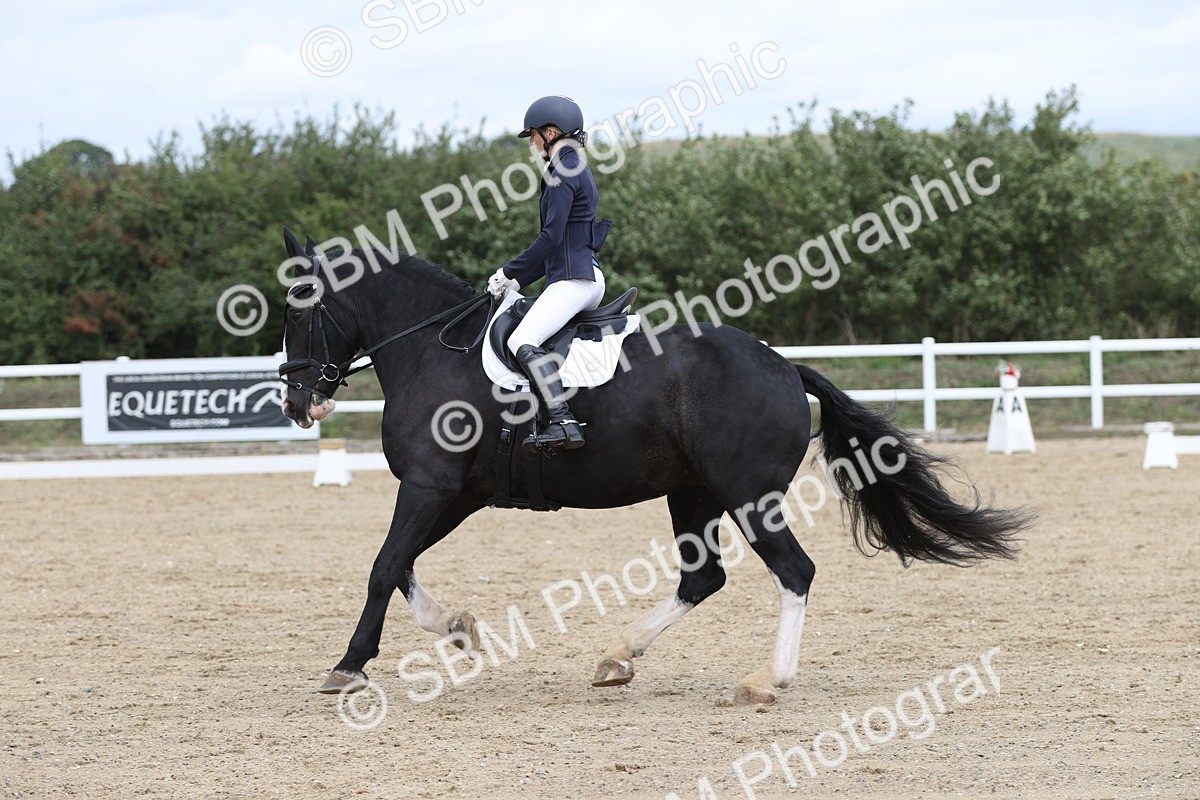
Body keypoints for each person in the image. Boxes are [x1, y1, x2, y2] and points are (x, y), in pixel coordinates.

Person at [488, 95, 611, 453]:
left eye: (533, 135)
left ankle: (562, 420)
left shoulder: (562, 171)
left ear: (551, 132)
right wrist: (518, 280)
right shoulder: (574, 167)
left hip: (575, 279)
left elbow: (550, 237)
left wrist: (508, 272)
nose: (531, 143)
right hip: (578, 275)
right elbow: (556, 243)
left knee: (520, 340)